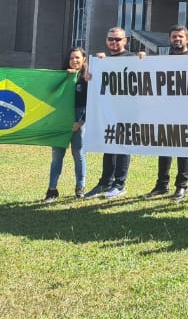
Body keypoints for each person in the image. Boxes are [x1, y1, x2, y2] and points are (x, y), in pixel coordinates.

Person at [84, 26, 143, 199]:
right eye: (111, 39)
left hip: (128, 112)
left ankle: (120, 184)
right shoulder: (103, 61)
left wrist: (144, 59)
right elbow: (91, 80)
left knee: (123, 146)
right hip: (108, 112)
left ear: (125, 41)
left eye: (118, 39)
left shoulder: (133, 58)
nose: (114, 42)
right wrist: (90, 70)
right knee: (108, 146)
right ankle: (105, 183)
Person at [145, 25, 188, 200]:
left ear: (187, 39)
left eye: (180, 36)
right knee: (164, 148)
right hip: (165, 112)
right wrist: (141, 59)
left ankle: (181, 186)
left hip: (187, 113)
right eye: (174, 37)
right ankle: (161, 185)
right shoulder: (163, 60)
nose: (177, 39)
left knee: (182, 150)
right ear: (169, 39)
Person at [45, 46, 88, 203]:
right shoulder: (62, 77)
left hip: (79, 118)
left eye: (77, 57)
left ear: (84, 59)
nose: (74, 60)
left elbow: (92, 102)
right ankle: (52, 190)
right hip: (61, 119)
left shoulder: (87, 78)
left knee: (78, 153)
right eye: (71, 58)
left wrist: (81, 121)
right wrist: (65, 76)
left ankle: (80, 188)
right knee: (57, 156)